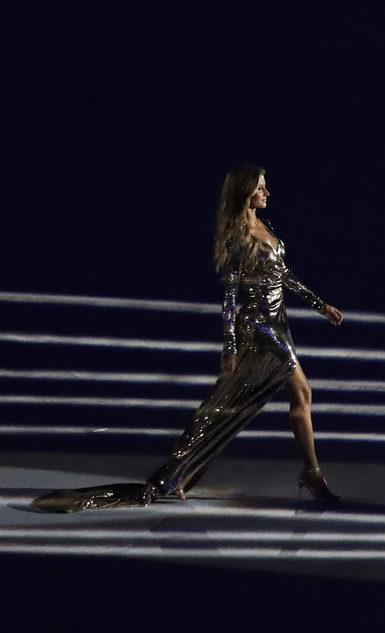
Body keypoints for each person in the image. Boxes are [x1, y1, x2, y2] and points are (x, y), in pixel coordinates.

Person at [33, 165, 343, 512]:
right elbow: (229, 297)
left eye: (265, 187)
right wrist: (231, 347)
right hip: (260, 329)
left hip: (279, 323)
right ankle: (311, 473)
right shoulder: (237, 237)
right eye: (260, 188)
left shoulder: (264, 228)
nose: (267, 193)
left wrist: (321, 305)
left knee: (245, 403)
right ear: (245, 193)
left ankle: (195, 470)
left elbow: (284, 276)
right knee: (296, 392)